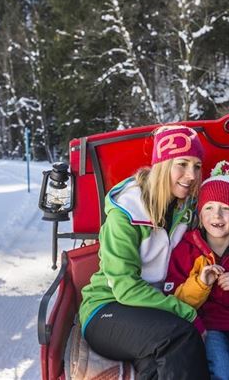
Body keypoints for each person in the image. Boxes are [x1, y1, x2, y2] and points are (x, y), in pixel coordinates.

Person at [79, 125, 210, 379]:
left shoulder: (184, 205)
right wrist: (187, 312)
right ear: (161, 165)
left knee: (157, 366)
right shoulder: (126, 213)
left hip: (149, 310)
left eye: (196, 166)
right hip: (107, 308)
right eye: (182, 164)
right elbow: (126, 287)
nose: (192, 175)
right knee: (182, 336)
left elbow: (226, 204)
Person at [164, 161, 229, 380]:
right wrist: (200, 284)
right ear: (200, 214)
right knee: (220, 372)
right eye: (209, 208)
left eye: (226, 208)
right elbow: (173, 301)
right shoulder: (187, 247)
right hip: (207, 323)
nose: (217, 216)